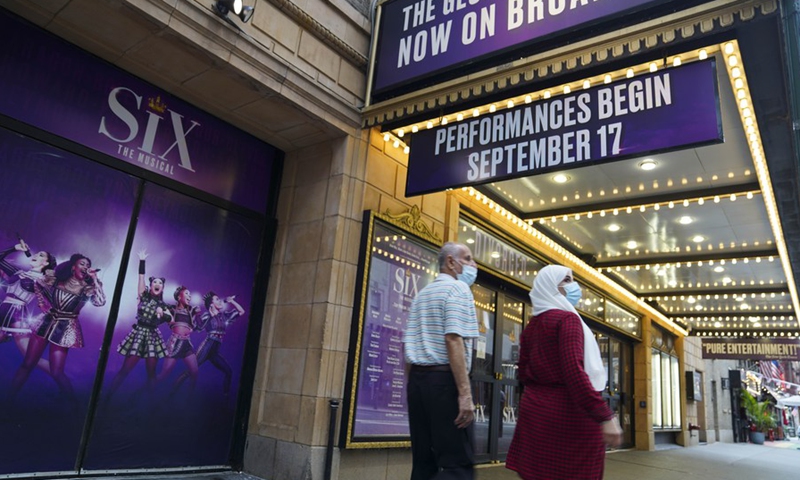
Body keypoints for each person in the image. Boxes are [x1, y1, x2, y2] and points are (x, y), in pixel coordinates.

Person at [506, 265, 622, 480]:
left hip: (535, 413)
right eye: (567, 280)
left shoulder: (533, 325)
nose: (574, 286)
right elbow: (574, 372)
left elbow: (522, 372)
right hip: (568, 415)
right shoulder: (567, 320)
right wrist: (604, 416)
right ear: (552, 286)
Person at [402, 241, 480, 480]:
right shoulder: (458, 290)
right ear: (450, 262)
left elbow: (407, 345)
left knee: (424, 462)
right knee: (457, 463)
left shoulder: (422, 294)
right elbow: (453, 339)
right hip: (444, 381)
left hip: (418, 381)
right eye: (467, 258)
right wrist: (464, 393)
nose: (473, 264)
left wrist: (414, 384)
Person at [11, 253, 105, 399]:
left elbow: (100, 302)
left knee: (56, 372)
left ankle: (73, 408)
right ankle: (7, 400)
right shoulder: (57, 280)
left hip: (66, 327)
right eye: (82, 264)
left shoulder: (88, 288)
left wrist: (95, 279)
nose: (85, 267)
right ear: (73, 267)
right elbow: (38, 283)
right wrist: (42, 303)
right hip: (46, 321)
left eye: (87, 265)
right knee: (27, 364)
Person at [105, 249, 171, 398]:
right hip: (139, 333)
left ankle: (150, 406)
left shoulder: (164, 305)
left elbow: (170, 319)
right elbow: (141, 277)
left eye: (160, 283)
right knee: (125, 370)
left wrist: (163, 314)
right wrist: (142, 261)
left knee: (151, 373)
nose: (157, 284)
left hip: (153, 337)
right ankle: (106, 399)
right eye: (155, 281)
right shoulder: (143, 296)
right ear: (151, 285)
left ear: (162, 288)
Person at [0, 239, 56, 373]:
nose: (36, 255)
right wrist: (15, 248)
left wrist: (43, 318)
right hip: (3, 309)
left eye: (41, 255)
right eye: (37, 254)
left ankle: (58, 374)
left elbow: (53, 303)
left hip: (17, 315)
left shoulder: (42, 281)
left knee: (29, 357)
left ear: (46, 263)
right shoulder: (17, 272)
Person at [173, 291, 244, 395]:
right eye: (217, 300)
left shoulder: (224, 316)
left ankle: (225, 400)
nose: (220, 302)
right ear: (211, 304)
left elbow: (241, 311)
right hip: (208, 346)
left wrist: (232, 301)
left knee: (229, 371)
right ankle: (171, 393)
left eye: (220, 300)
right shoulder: (207, 316)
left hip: (215, 350)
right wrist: (197, 314)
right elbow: (199, 328)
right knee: (190, 371)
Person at [156, 285, 200, 387]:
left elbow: (198, 327)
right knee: (164, 374)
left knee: (195, 372)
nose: (190, 296)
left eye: (190, 294)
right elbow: (161, 309)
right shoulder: (172, 309)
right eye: (186, 293)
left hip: (187, 343)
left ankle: (189, 399)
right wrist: (160, 310)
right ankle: (142, 392)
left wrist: (197, 315)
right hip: (175, 343)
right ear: (179, 297)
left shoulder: (191, 311)